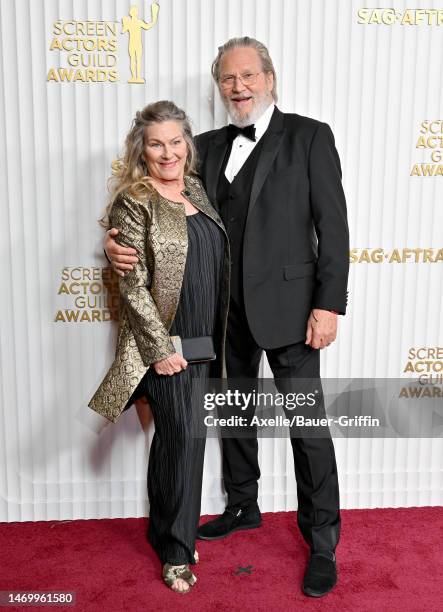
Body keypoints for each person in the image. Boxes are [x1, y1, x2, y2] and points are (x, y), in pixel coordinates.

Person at [105, 37, 350, 598]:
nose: (238, 87)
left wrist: (328, 303)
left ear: (269, 76)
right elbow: (154, 208)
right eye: (228, 79)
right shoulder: (205, 147)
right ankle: (243, 503)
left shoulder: (311, 136)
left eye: (248, 76)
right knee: (235, 415)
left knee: (307, 428)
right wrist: (115, 244)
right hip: (220, 316)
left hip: (293, 310)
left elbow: (333, 227)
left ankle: (323, 539)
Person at [89, 100, 230, 594]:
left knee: (181, 442)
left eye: (175, 141)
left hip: (206, 341)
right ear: (141, 149)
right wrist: (158, 347)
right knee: (182, 442)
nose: (167, 152)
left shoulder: (196, 189)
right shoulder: (135, 201)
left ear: (187, 143)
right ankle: (175, 550)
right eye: (156, 144)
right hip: (167, 346)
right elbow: (132, 285)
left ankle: (167, 530)